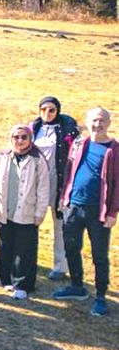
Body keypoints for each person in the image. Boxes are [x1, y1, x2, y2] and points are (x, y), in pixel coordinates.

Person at [53, 108, 119, 316]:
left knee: (99, 255)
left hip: (98, 211)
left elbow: (117, 184)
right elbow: (69, 173)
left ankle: (100, 296)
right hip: (73, 206)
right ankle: (77, 285)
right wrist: (64, 198)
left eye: (101, 121)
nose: (97, 125)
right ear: (87, 122)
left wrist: (112, 213)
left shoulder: (114, 149)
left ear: (108, 123)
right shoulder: (80, 143)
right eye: (93, 121)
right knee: (71, 247)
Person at [0, 125, 50, 300]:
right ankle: (6, 279)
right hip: (4, 210)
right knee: (5, 246)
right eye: (16, 137)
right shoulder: (1, 156)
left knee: (24, 250)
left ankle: (22, 284)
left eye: (24, 137)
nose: (19, 141)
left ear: (30, 139)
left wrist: (40, 212)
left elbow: (43, 188)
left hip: (27, 211)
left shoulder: (37, 159)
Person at [31, 96, 80, 281]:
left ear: (57, 111)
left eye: (51, 110)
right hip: (37, 184)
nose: (47, 113)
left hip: (59, 183)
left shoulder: (67, 129)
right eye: (43, 109)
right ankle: (29, 261)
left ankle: (60, 266)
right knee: (31, 223)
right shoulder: (34, 128)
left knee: (61, 226)